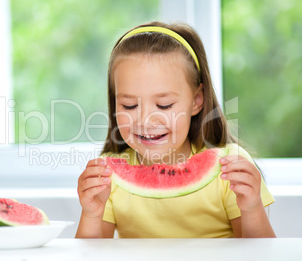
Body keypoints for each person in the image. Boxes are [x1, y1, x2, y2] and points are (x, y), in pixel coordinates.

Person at [75, 21, 275, 238]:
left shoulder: (228, 167)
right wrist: (92, 213)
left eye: (164, 105)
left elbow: (262, 253)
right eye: (129, 105)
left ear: (197, 100)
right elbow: (90, 255)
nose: (146, 119)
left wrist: (252, 209)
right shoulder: (109, 175)